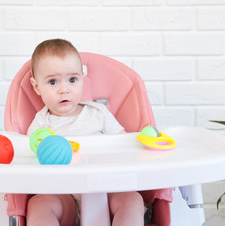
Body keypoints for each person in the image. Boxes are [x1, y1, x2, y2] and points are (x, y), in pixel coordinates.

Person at [26, 39, 146, 226]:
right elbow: (29, 161)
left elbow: (125, 147)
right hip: (64, 196)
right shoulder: (41, 125)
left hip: (107, 190)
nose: (64, 89)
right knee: (38, 205)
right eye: (52, 82)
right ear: (36, 87)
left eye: (72, 80)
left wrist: (142, 144)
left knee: (132, 200)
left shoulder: (98, 113)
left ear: (82, 78)